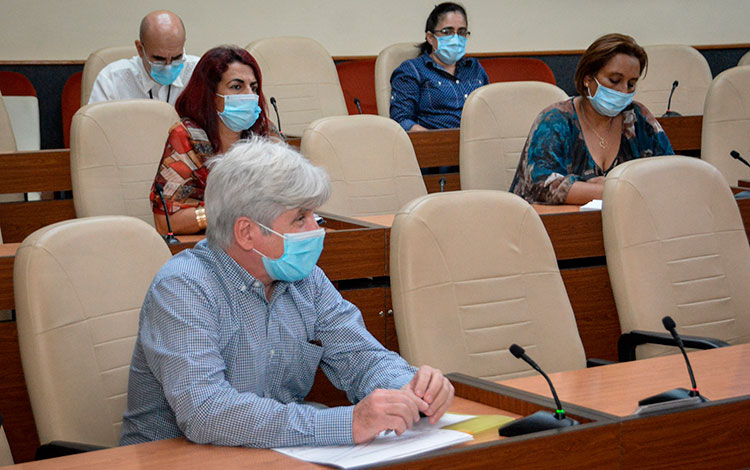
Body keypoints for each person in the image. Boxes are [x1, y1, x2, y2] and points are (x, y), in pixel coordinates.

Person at [120, 137, 454, 448]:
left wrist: (411, 390)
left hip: (275, 454)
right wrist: (345, 423)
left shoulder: (306, 280)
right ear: (247, 232)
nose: (316, 230)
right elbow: (206, 412)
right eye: (300, 219)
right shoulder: (183, 288)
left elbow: (361, 358)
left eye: (315, 215)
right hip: (174, 460)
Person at [510, 33, 674, 204]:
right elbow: (541, 186)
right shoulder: (555, 121)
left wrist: (595, 189)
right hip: (552, 226)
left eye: (631, 84)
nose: (624, 91)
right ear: (588, 79)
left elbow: (670, 174)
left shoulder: (637, 118)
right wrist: (617, 189)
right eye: (615, 80)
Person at [150, 45, 278, 236]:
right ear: (210, 94)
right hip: (209, 245)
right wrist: (226, 213)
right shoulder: (186, 138)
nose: (249, 95)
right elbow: (165, 222)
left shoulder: (264, 131)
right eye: (236, 86)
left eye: (253, 87)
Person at [389, 2, 488, 132]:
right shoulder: (412, 70)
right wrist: (435, 142)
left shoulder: (474, 68)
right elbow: (401, 120)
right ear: (430, 37)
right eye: (447, 32)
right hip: (435, 146)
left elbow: (489, 111)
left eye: (461, 32)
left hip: (477, 143)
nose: (455, 38)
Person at [88, 10, 199, 105]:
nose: (168, 67)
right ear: (140, 49)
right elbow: (95, 128)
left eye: (176, 58)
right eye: (159, 59)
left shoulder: (200, 72)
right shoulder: (111, 79)